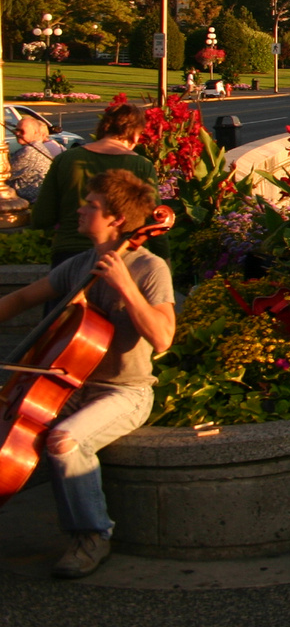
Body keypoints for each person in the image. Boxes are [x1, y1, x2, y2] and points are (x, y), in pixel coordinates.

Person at [0, 169, 174, 579]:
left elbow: (164, 337)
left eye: (90, 205)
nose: (80, 209)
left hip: (124, 391)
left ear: (115, 218)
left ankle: (91, 536)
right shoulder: (81, 264)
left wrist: (125, 287)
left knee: (64, 441)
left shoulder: (150, 268)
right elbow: (23, 298)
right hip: (73, 384)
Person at [32, 104, 157, 265]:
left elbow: (42, 217)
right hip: (121, 255)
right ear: (135, 136)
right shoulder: (141, 165)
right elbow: (153, 220)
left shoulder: (66, 159)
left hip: (68, 252)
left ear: (103, 129)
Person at [10, 114, 65, 203]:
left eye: (22, 131)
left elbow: (4, 173)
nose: (17, 133)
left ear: (36, 132)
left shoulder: (28, 151)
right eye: (16, 130)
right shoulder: (38, 146)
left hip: (31, 202)